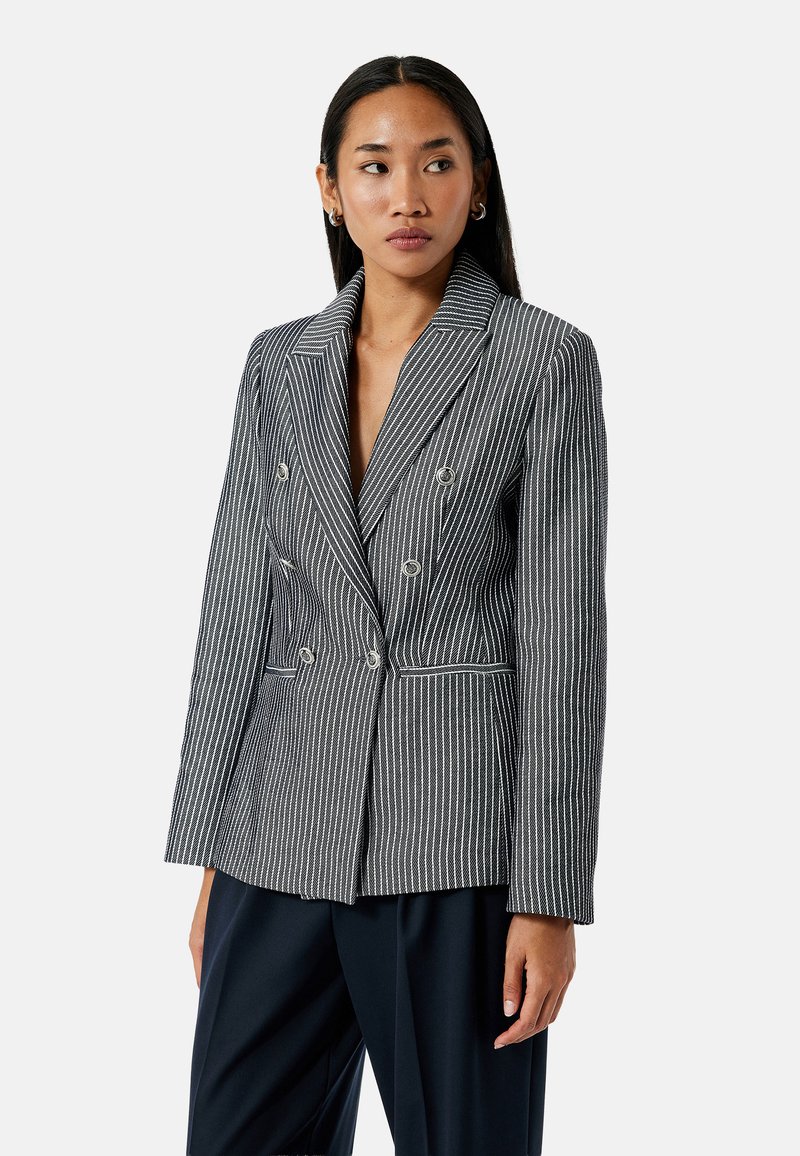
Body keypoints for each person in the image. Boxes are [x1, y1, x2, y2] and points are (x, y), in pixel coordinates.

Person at [164, 54, 608, 1156]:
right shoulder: (278, 366)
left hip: (455, 844)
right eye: (374, 166)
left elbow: (561, 645)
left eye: (435, 163)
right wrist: (213, 854)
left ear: (477, 183)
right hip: (277, 838)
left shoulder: (540, 360)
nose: (406, 194)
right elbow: (235, 616)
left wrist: (548, 894)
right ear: (329, 188)